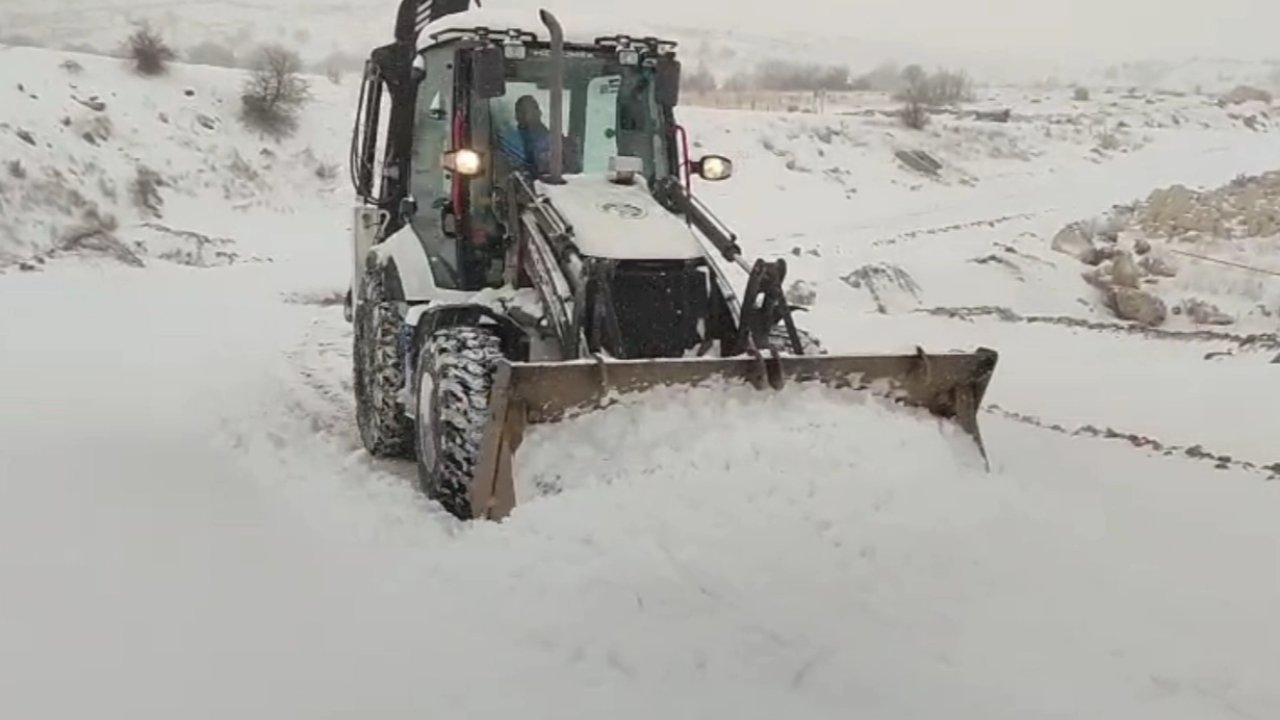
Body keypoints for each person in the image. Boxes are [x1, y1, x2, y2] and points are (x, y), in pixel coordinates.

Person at [499, 94, 579, 176]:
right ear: (516, 116)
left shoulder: (559, 141)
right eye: (520, 112)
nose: (524, 116)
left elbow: (571, 172)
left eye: (532, 109)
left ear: (539, 112)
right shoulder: (510, 141)